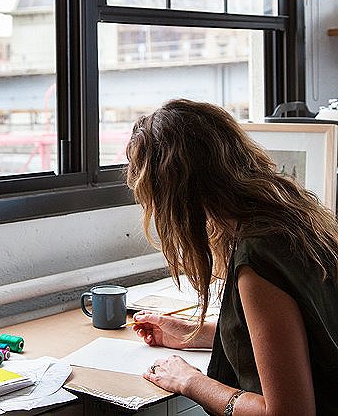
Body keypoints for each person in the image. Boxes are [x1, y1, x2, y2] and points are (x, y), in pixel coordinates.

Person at [125, 99, 338, 416]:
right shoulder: (295, 217)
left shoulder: (257, 257)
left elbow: (289, 412)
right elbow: (294, 341)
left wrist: (190, 381)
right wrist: (193, 334)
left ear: (176, 193)